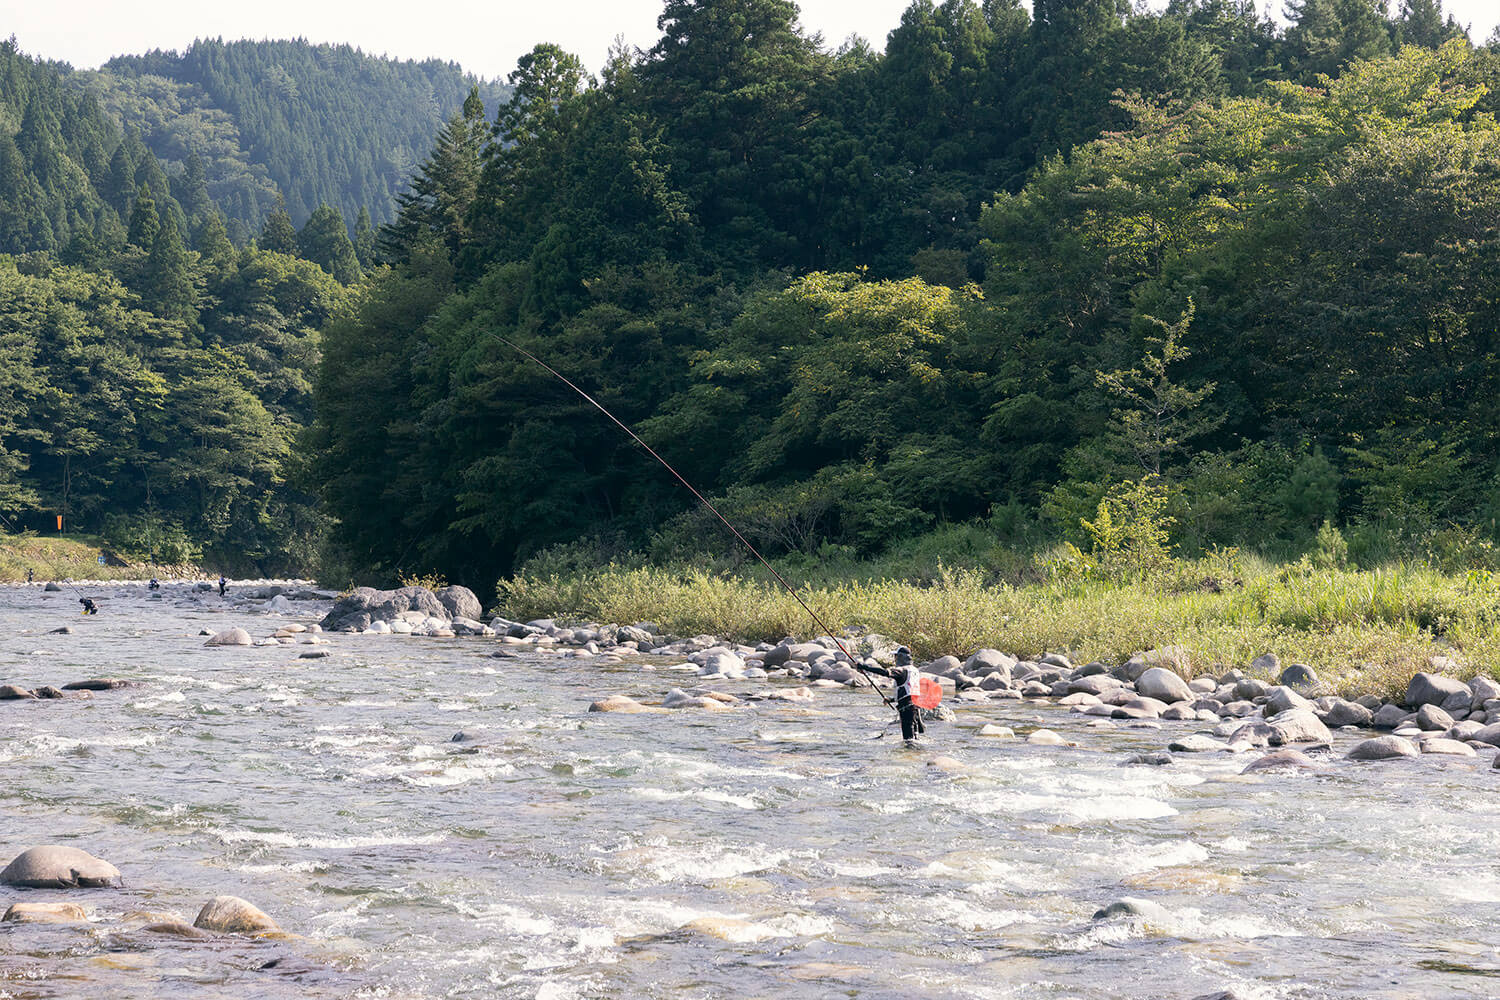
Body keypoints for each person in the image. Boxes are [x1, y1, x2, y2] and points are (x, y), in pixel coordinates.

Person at [893, 646, 926, 744]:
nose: (895, 659)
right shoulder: (914, 670)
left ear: (900, 657)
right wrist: (891, 699)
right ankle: (917, 756)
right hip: (915, 706)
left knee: (908, 740)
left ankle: (910, 756)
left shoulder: (902, 671)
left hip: (906, 708)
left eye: (896, 656)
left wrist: (864, 667)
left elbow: (885, 673)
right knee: (914, 737)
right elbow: (909, 690)